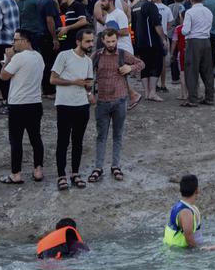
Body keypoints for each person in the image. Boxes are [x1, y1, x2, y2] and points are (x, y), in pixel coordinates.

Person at [90, 28, 144, 183]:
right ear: (102, 41)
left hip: (120, 100)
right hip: (102, 101)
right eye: (108, 41)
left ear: (117, 40)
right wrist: (89, 93)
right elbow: (87, 73)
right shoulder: (96, 56)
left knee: (117, 135)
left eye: (113, 41)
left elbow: (141, 63)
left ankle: (116, 166)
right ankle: (98, 167)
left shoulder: (122, 54)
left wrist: (130, 68)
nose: (111, 44)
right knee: (101, 136)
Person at [0, 29, 45, 184]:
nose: (13, 43)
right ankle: (38, 170)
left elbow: (3, 76)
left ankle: (16, 174)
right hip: (35, 103)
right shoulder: (39, 57)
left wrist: (8, 59)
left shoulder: (18, 58)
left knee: (16, 140)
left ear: (25, 41)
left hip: (18, 104)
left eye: (16, 40)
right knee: (36, 138)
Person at [50, 29, 95, 191]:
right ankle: (61, 175)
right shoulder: (64, 56)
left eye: (92, 41)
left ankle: (75, 173)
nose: (91, 44)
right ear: (78, 42)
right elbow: (52, 79)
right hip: (64, 104)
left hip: (82, 105)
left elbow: (88, 83)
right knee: (63, 141)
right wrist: (73, 82)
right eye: (87, 41)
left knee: (78, 141)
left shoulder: (88, 61)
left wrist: (89, 91)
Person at [163, 173, 201, 247]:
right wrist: (199, 251)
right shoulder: (186, 212)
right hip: (180, 250)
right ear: (197, 190)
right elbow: (189, 239)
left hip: (170, 247)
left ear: (180, 190)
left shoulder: (178, 205)